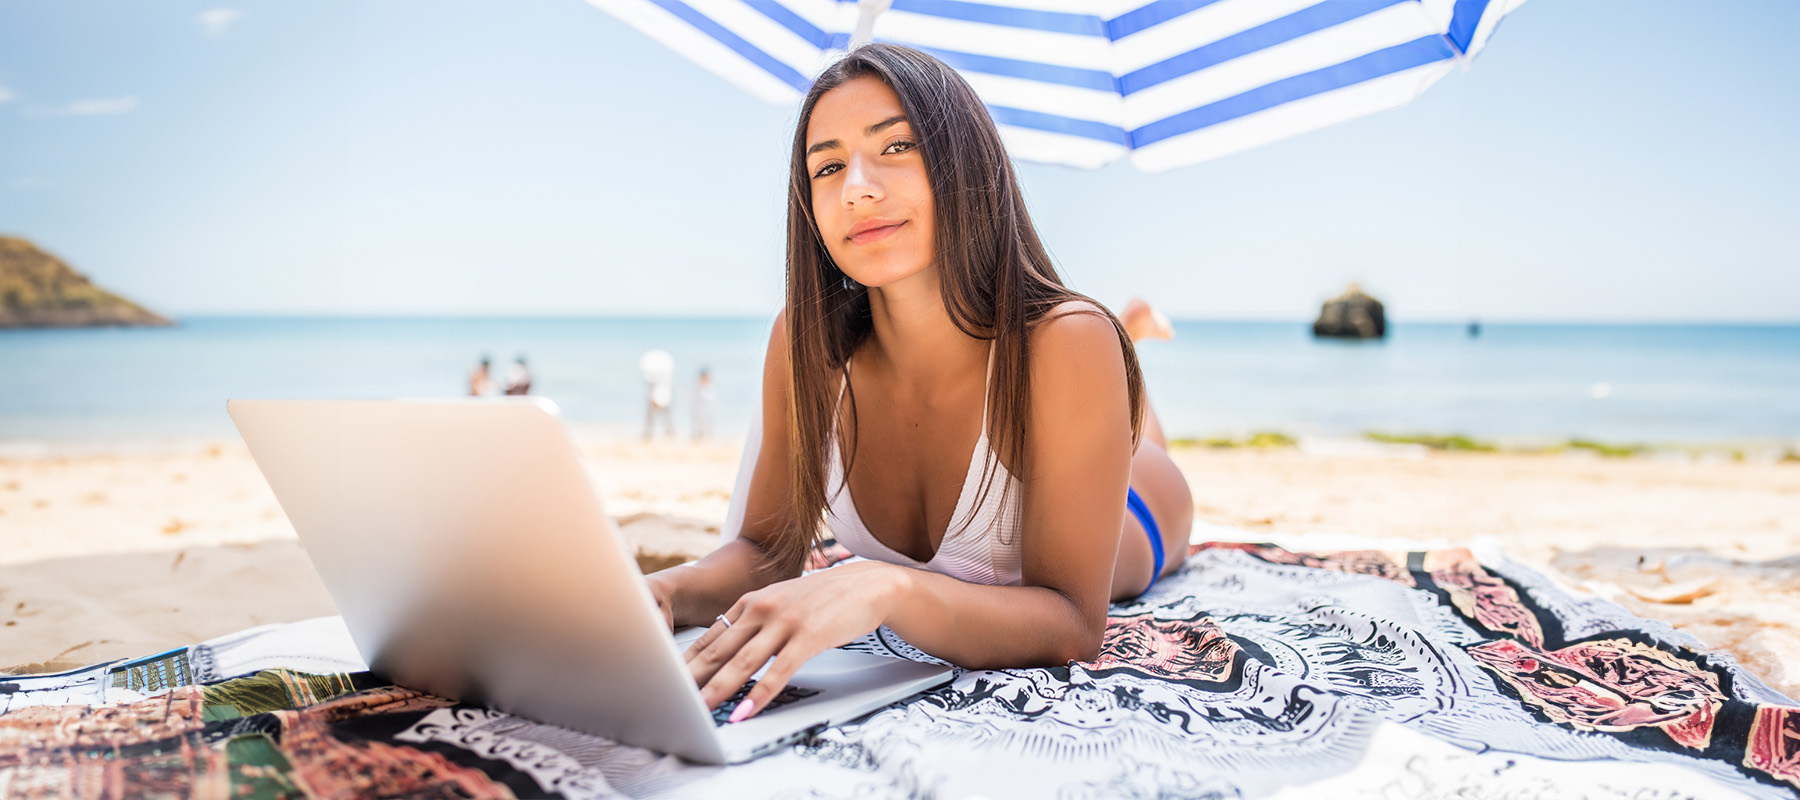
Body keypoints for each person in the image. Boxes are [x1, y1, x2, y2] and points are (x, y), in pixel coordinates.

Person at [645, 44, 1194, 725]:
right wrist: (658, 592)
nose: (857, 188)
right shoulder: (806, 341)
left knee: (1142, 447)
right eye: (828, 166)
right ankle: (1129, 361)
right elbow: (763, 552)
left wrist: (882, 584)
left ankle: (1130, 356)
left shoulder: (1067, 342)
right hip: (1055, 385)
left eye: (897, 146)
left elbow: (1072, 624)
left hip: (1146, 507)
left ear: (965, 161)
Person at [640, 348, 676, 440]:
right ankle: (662, 432)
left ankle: (664, 432)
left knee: (659, 416)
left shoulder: (654, 379)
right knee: (659, 416)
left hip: (661, 395)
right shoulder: (658, 379)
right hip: (660, 395)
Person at [692, 367, 718, 441]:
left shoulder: (710, 386)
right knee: (697, 424)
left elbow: (712, 398)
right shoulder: (697, 386)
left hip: (707, 409)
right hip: (697, 409)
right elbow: (693, 397)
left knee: (707, 424)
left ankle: (707, 437)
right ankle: (697, 436)